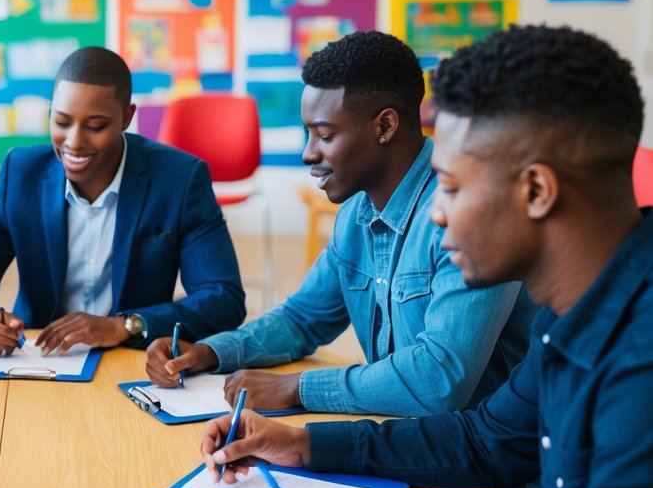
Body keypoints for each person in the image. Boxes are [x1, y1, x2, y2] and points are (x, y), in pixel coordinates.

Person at [201, 25, 652, 488]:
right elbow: (488, 440)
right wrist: (301, 444)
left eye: (454, 187)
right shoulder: (582, 308)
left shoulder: (638, 359)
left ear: (537, 191)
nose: (435, 213)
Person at [145, 31, 534, 416]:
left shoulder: (469, 215)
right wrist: (211, 351)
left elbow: (439, 381)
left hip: (494, 466)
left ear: (384, 127)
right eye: (308, 134)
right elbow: (302, 319)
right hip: (414, 436)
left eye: (324, 135)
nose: (308, 153)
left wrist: (296, 388)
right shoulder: (355, 214)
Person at [0, 46, 246, 356]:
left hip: (131, 357)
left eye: (95, 126)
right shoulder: (20, 175)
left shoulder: (179, 179)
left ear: (127, 117)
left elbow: (223, 299)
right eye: (61, 122)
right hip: (36, 356)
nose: (73, 142)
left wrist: (124, 326)